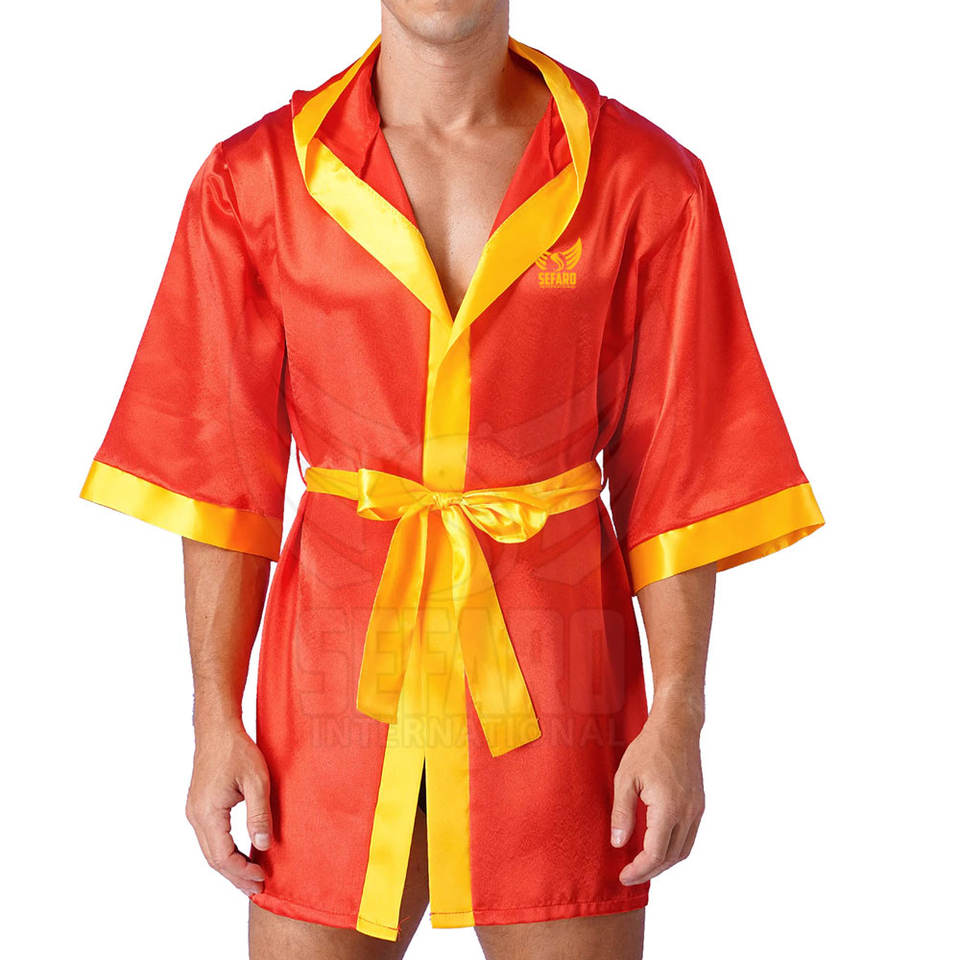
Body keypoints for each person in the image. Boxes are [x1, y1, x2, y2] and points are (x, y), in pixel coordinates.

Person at [79, 2, 824, 957]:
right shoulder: (255, 180)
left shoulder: (642, 178)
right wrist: (214, 720)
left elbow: (681, 471)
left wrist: (679, 715)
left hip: (561, 692)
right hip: (330, 691)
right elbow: (222, 476)